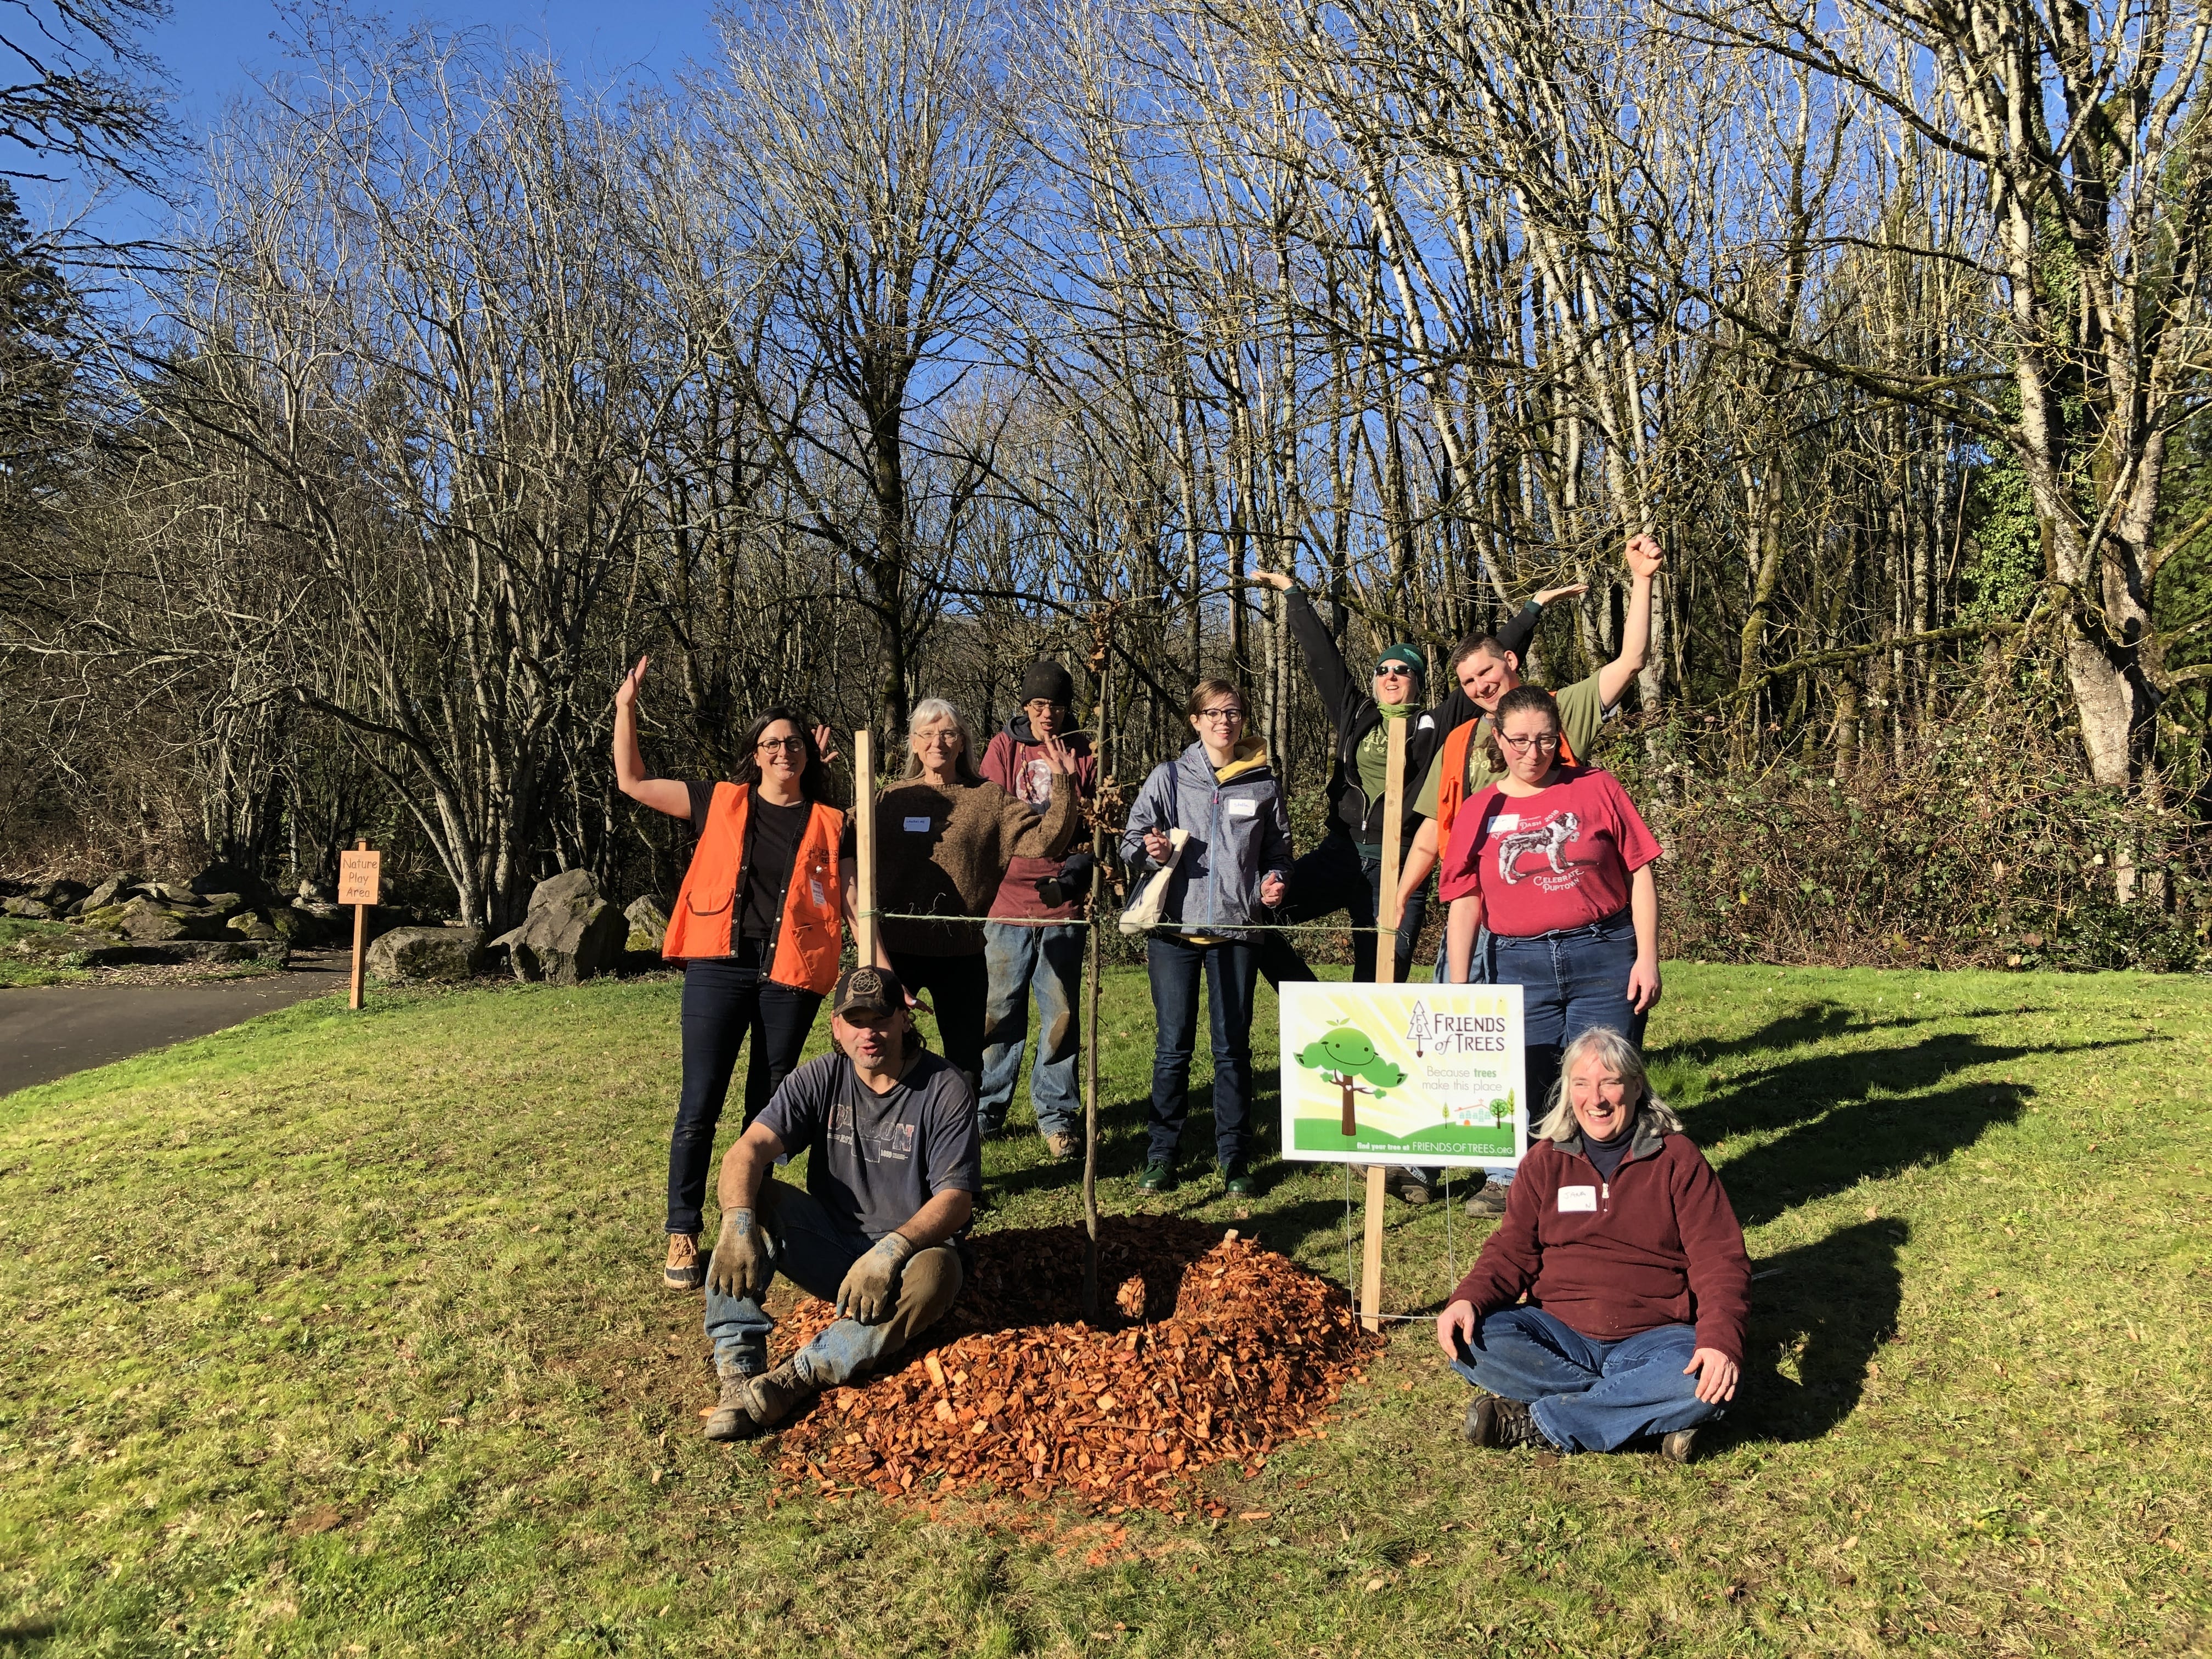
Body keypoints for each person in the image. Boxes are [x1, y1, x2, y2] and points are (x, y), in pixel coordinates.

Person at [1251, 569, 1581, 1205]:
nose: (1392, 677)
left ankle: (1385, 1130)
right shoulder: (1356, 716)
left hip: (1402, 865)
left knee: (1388, 990)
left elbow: (1492, 674)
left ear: (1420, 683)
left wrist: (1534, 606)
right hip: (1344, 853)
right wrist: (1293, 595)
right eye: (1383, 671)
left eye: (1403, 670)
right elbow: (1321, 660)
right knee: (1260, 915)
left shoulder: (1441, 720)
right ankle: (1317, 1006)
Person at [613, 655, 858, 1293]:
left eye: (794, 742)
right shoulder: (717, 800)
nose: (783, 751)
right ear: (754, 753)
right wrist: (625, 709)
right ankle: (682, 1229)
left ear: (808, 754)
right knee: (700, 1101)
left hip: (789, 975)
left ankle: (752, 1221)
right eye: (772, 742)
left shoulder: (833, 824)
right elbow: (633, 781)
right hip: (719, 968)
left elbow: (856, 906)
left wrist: (882, 974)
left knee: (769, 1107)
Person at [1436, 1026, 1748, 1461]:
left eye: (1610, 1083)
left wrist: (1719, 1341)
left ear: (1637, 1087)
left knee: (1700, 1382)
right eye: (1582, 1084)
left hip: (1655, 1336)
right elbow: (1512, 1250)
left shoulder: (1678, 1159)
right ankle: (1640, 1417)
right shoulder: (1543, 1161)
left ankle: (1541, 1421)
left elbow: (1720, 1261)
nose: (1596, 1099)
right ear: (1569, 1091)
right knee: (1471, 1340)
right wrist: (1469, 1298)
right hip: (1558, 1331)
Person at [700, 964, 981, 1440]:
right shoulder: (821, 1077)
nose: (868, 1033)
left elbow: (957, 1199)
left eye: (881, 1018)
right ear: (836, 1027)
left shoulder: (945, 1087)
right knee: (756, 1196)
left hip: (908, 1258)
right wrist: (737, 1221)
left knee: (940, 1275)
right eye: (855, 1020)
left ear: (904, 1021)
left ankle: (798, 1376)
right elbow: (745, 1152)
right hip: (833, 1246)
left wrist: (890, 1251)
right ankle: (738, 1371)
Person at [1392, 534, 1666, 972]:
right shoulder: (1459, 740)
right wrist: (1401, 894)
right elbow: (1434, 827)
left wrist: (1641, 580)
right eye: (1468, 682)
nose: (1481, 686)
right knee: (1468, 1024)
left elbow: (1631, 659)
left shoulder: (1561, 710)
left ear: (1511, 662)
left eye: (1487, 671)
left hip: (1554, 904)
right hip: (1477, 908)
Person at [1442, 682, 1663, 1138]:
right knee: (1534, 1094)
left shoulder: (1596, 787)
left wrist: (1648, 958)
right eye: (1520, 740)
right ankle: (1548, 1195)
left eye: (1545, 738)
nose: (1533, 752)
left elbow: (1639, 872)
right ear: (1498, 739)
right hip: (1517, 965)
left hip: (1604, 956)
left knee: (1605, 1085)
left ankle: (1616, 1191)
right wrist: (1459, 988)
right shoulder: (1478, 809)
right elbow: (1466, 900)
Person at [1118, 680, 1293, 1195]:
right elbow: (1132, 840)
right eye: (1213, 713)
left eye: (1233, 712)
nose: (1224, 721)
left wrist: (1276, 881)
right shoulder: (1169, 778)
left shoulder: (1262, 783)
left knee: (1233, 1051)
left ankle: (1234, 1158)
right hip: (1174, 931)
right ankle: (1161, 1155)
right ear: (1195, 721)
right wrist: (1149, 849)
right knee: (1173, 1049)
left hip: (1238, 932)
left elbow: (1279, 853)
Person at [874, 698, 1082, 1093]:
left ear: (962, 743)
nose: (938, 742)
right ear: (914, 743)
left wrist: (1064, 785)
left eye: (949, 733)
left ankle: (960, 1141)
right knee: (883, 1052)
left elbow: (1045, 840)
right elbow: (836, 838)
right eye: (928, 733)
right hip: (896, 953)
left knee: (966, 1065)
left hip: (963, 953)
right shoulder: (890, 800)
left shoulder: (988, 799)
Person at [977, 660, 1100, 1159]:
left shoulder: (1084, 751)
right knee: (999, 1010)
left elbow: (1096, 823)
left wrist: (1075, 872)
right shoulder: (1003, 749)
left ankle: (1057, 1115)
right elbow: (989, 817)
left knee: (1061, 1013)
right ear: (1025, 707)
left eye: (1058, 705)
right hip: (1006, 903)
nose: (1049, 714)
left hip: (1062, 904)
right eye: (1039, 705)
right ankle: (986, 1109)